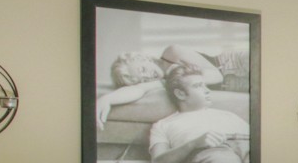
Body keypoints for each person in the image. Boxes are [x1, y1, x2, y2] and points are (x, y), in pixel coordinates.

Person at [149, 64, 251, 163]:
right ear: (180, 94)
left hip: (247, 142)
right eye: (198, 86)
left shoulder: (229, 115)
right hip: (212, 151)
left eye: (205, 85)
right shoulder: (163, 125)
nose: (208, 90)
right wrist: (193, 144)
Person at [95, 43, 243, 128]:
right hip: (235, 83)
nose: (148, 76)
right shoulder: (162, 80)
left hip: (236, 65)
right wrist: (106, 99)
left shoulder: (172, 53)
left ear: (143, 58)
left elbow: (216, 76)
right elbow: (137, 90)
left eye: (143, 69)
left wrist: (172, 79)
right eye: (142, 78)